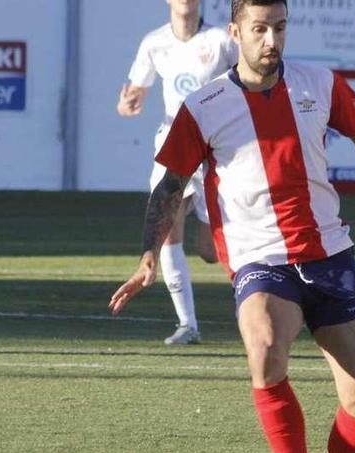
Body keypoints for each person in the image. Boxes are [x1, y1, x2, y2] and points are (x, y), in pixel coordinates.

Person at [109, 0, 355, 453]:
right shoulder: (204, 106)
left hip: (329, 252)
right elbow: (169, 187)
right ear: (235, 33)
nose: (272, 40)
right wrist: (147, 256)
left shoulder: (319, 84)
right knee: (264, 344)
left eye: (280, 28)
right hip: (259, 258)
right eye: (260, 29)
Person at [117, 0, 236, 345]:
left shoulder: (221, 40)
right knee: (167, 229)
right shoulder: (154, 42)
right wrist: (127, 104)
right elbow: (133, 92)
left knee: (212, 251)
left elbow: (247, 81)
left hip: (216, 149)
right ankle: (188, 326)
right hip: (173, 146)